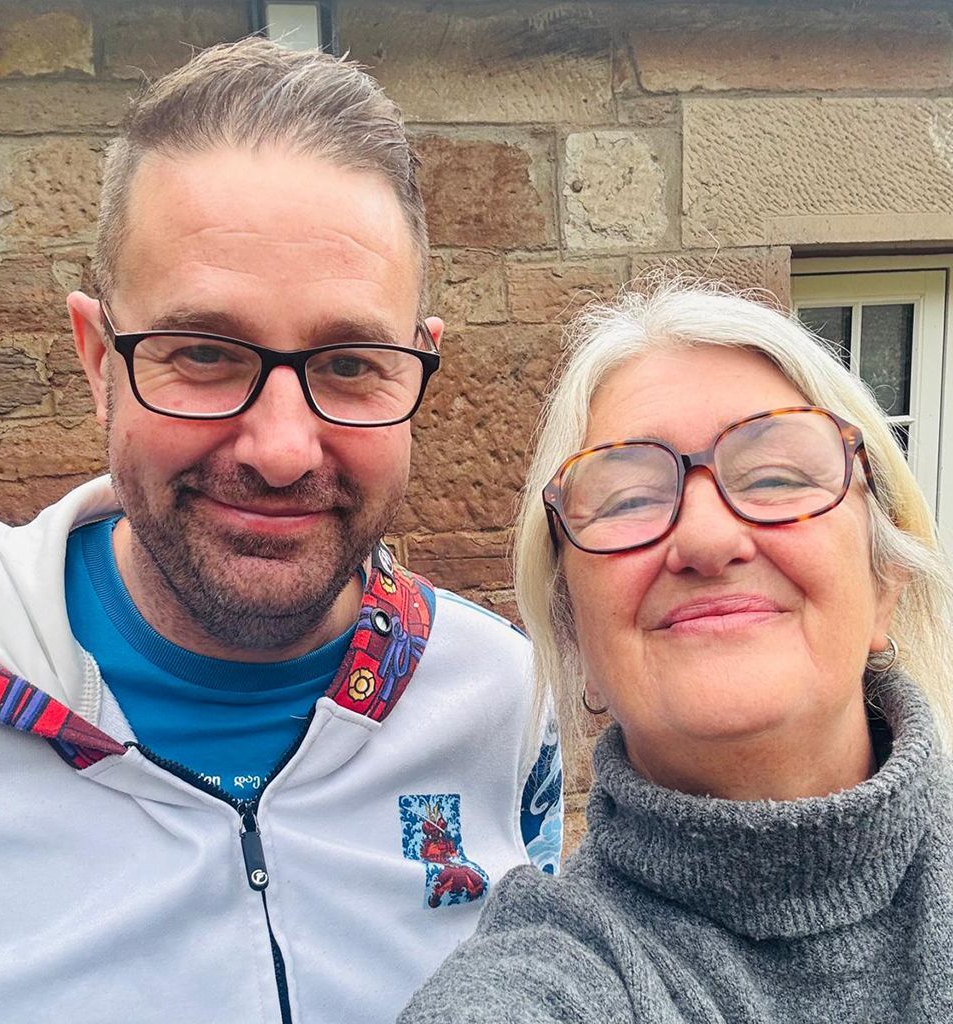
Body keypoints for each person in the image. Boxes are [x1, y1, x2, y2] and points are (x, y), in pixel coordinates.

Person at [0, 39, 562, 1024]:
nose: (279, 447)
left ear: (417, 370)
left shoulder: (503, 702)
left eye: (352, 362)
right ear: (98, 358)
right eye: (202, 353)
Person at [400, 281, 953, 1024]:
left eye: (777, 477)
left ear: (885, 580)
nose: (706, 539)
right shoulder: (538, 984)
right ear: (575, 638)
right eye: (628, 500)